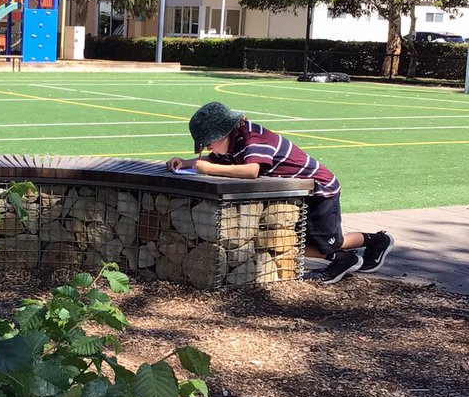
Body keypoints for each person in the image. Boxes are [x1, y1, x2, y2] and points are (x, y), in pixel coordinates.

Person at [166, 101, 393, 285]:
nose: (208, 149)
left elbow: (251, 170)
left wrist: (210, 169)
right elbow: (216, 159)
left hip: (321, 191)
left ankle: (369, 244)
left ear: (224, 132)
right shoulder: (233, 141)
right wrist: (186, 162)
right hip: (299, 193)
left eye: (209, 143)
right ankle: (347, 255)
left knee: (328, 241)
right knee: (295, 239)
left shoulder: (254, 138)